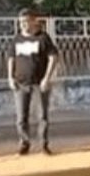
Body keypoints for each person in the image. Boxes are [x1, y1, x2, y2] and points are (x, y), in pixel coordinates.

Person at [7, 8, 59, 156]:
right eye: (20, 22)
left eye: (25, 21)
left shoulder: (43, 38)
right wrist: (10, 77)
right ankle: (24, 144)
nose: (23, 25)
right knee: (21, 117)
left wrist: (47, 78)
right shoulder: (17, 39)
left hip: (39, 83)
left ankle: (44, 144)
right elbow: (11, 58)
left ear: (33, 21)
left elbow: (53, 57)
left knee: (42, 116)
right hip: (21, 83)